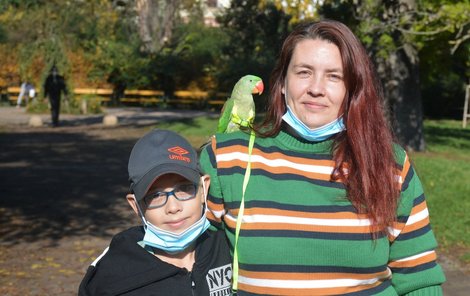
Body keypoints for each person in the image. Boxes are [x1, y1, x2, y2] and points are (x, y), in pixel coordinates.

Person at [200, 20, 446, 295]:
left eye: (334, 76)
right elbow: (184, 260)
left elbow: (419, 280)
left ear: (352, 89)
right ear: (281, 83)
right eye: (304, 72)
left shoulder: (390, 164)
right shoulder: (226, 158)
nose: (316, 88)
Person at [79, 129, 232, 296]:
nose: (173, 208)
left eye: (184, 189)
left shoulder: (229, 249)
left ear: (204, 189)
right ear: (135, 205)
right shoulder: (110, 278)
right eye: (156, 195)